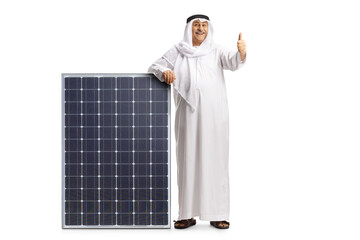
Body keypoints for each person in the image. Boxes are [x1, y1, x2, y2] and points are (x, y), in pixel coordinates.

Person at [148, 14, 246, 229]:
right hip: (188, 114)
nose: (200, 29)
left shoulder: (216, 50)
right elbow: (155, 67)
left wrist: (241, 52)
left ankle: (218, 213)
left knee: (215, 160)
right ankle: (186, 214)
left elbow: (234, 62)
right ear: (189, 29)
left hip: (215, 115)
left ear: (208, 28)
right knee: (188, 159)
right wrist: (166, 72)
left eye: (203, 25)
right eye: (196, 25)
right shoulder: (178, 50)